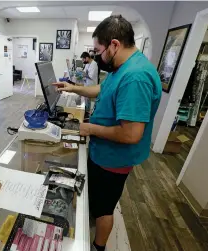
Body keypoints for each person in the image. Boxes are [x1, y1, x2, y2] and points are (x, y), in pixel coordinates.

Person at [53, 15, 162, 251]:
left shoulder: (135, 77)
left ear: (114, 44)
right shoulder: (123, 67)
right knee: (96, 200)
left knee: (104, 208)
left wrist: (89, 128)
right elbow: (102, 89)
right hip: (103, 152)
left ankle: (98, 247)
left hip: (113, 160)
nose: (96, 56)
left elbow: (131, 134)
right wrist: (74, 87)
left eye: (97, 50)